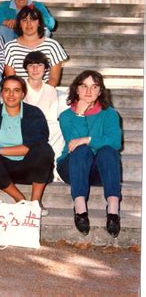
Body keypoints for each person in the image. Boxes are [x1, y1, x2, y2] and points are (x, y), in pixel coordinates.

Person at [57, 70, 122, 237]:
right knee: (81, 149)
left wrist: (88, 139)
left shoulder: (110, 114)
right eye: (84, 86)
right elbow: (73, 143)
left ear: (100, 91)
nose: (88, 91)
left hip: (100, 170)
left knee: (108, 151)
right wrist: (79, 114)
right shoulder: (66, 116)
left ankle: (113, 211)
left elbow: (115, 141)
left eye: (94, 87)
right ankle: (80, 210)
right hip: (72, 167)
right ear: (76, 90)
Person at [0, 76, 54, 216]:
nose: (11, 95)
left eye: (16, 90)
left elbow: (32, 146)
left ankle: (36, 203)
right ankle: (21, 200)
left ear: (23, 94)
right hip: (3, 171)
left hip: (30, 168)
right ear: (1, 93)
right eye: (7, 90)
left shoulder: (33, 113)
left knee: (44, 149)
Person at [4, 5, 68, 87]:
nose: (29, 23)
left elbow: (53, 79)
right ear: (19, 24)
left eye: (33, 19)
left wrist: (41, 95)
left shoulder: (52, 46)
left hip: (45, 93)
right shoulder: (10, 47)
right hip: (20, 94)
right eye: (24, 20)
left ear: (39, 23)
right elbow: (11, 79)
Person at [23, 51, 64, 161]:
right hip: (23, 126)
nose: (35, 69)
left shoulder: (50, 90)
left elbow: (50, 118)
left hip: (44, 127)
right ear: (26, 68)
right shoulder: (19, 87)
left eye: (39, 65)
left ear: (46, 68)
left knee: (57, 127)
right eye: (31, 65)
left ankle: (55, 167)